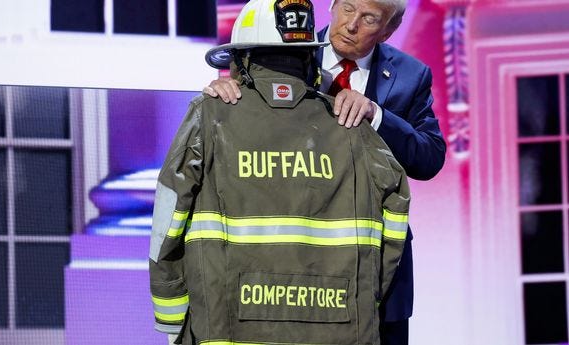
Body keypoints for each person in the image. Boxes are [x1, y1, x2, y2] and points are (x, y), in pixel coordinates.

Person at [149, 0, 411, 344]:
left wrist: (172, 318)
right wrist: (367, 296)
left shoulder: (210, 116)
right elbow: (397, 210)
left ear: (241, 58)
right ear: (309, 59)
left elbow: (168, 218)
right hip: (339, 325)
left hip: (226, 327)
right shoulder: (352, 124)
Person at [203, 1, 447, 344]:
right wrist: (221, 91)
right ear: (331, 7)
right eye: (347, 8)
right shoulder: (282, 51)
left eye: (369, 19)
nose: (351, 25)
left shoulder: (410, 75)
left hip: (378, 269)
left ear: (388, 30)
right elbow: (244, 117)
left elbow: (430, 157)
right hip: (294, 265)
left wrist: (377, 115)